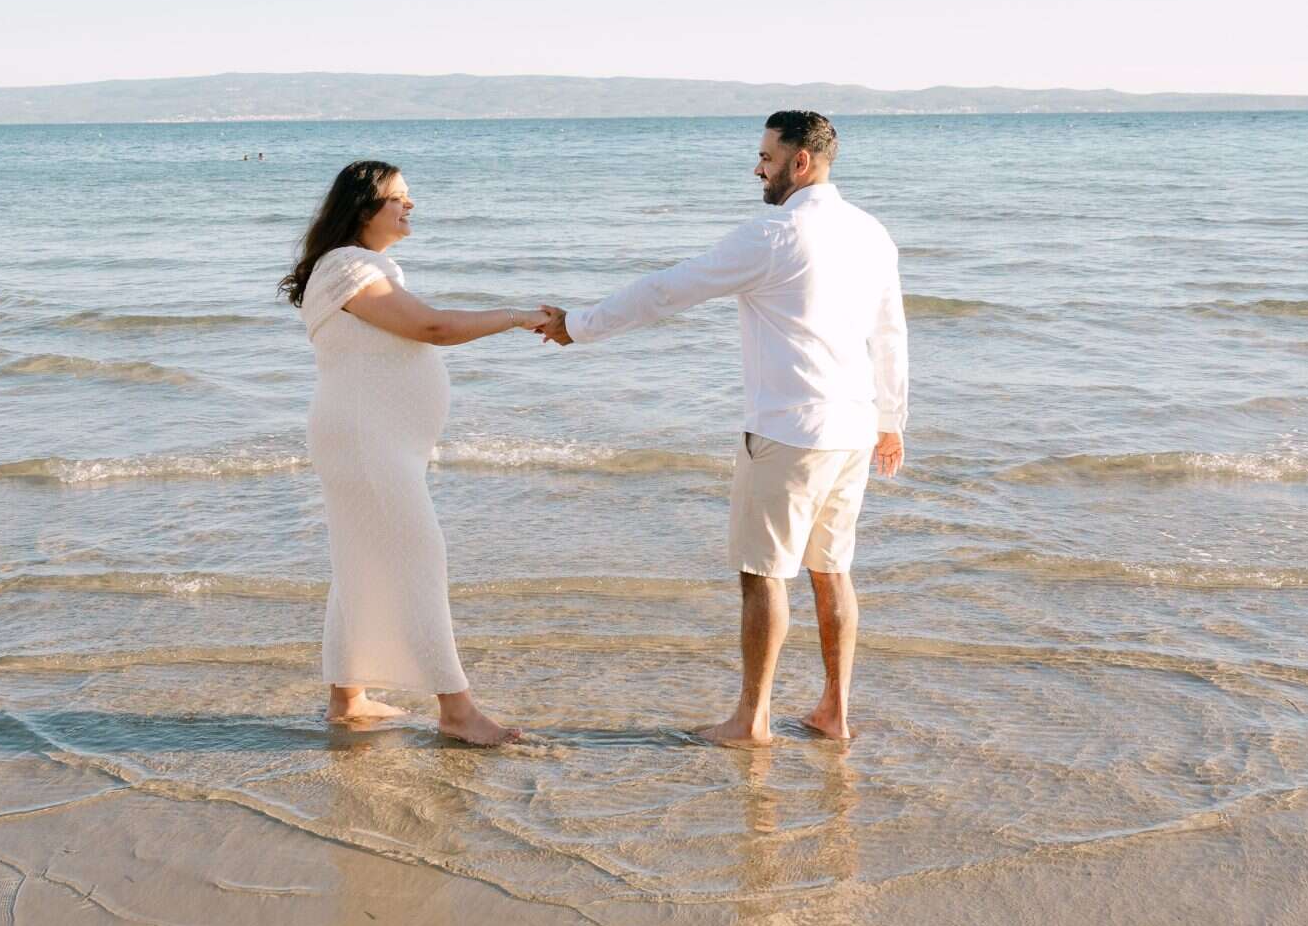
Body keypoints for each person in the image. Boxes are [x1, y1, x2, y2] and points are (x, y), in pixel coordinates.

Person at [539, 111, 907, 746]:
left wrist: (580, 324)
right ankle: (834, 712)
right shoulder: (871, 232)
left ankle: (752, 719)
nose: (757, 167)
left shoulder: (775, 233)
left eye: (766, 156)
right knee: (832, 570)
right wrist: (892, 421)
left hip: (790, 431)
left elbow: (666, 290)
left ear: (801, 162)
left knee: (764, 574)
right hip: (852, 427)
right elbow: (892, 333)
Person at [281, 160, 550, 744]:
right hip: (364, 439)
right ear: (362, 208)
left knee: (363, 561)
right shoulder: (349, 267)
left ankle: (347, 698)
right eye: (397, 198)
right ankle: (457, 712)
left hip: (370, 438)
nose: (410, 207)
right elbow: (431, 328)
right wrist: (517, 316)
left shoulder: (358, 267)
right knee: (416, 558)